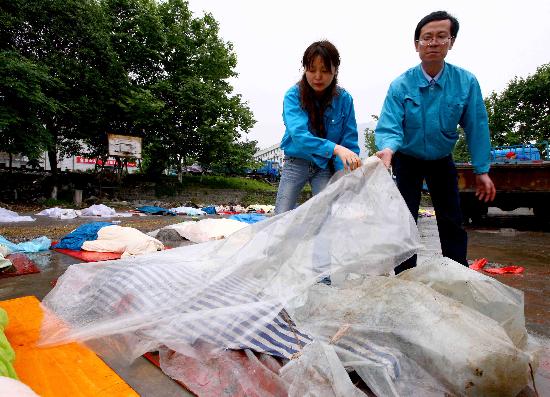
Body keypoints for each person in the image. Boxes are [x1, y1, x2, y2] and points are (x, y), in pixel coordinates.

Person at [375, 11, 496, 274]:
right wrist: (387, 149)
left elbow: (477, 126)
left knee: (451, 218)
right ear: (416, 44)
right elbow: (390, 126)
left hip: (441, 159)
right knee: (404, 220)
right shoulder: (401, 85)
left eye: (441, 36)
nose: (433, 43)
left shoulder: (465, 82)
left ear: (451, 42)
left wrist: (482, 170)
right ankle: (405, 274)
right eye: (426, 37)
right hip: (407, 159)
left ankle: (457, 273)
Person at [275, 40, 362, 214]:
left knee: (323, 217)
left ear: (335, 70)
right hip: (296, 162)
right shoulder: (293, 96)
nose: (317, 76)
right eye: (311, 69)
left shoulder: (345, 100)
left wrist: (347, 176)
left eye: (324, 70)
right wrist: (335, 148)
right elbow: (299, 136)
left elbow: (349, 144)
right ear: (304, 69)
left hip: (324, 165)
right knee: (281, 214)